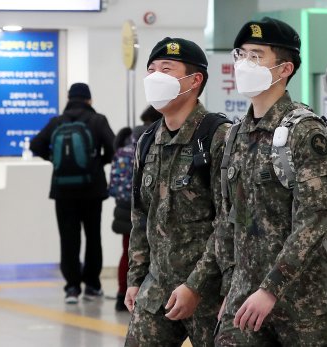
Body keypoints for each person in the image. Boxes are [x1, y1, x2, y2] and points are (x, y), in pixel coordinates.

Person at [213, 17, 327, 346]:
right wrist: (230, 288)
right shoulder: (235, 135)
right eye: (240, 55)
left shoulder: (305, 131)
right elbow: (230, 221)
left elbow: (314, 220)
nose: (244, 64)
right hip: (244, 301)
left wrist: (270, 288)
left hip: (305, 309)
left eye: (256, 56)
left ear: (284, 68)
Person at [124, 37, 230, 346]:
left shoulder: (218, 137)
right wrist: (135, 279)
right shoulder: (147, 142)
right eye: (152, 69)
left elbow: (229, 223)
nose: (155, 76)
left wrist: (195, 285)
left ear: (195, 80)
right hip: (157, 287)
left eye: (166, 69)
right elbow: (140, 216)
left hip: (210, 291)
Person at [30, 82, 115, 304]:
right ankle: (92, 286)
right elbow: (113, 148)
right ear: (89, 100)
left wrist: (54, 160)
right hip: (92, 189)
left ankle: (71, 288)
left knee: (68, 238)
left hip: (62, 189)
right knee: (92, 236)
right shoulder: (98, 120)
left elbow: (35, 144)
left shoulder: (57, 121)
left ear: (69, 98)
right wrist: (97, 163)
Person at [109, 107, 162, 312]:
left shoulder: (124, 145)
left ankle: (122, 294)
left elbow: (113, 184)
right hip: (149, 209)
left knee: (128, 252)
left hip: (123, 208)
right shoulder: (153, 142)